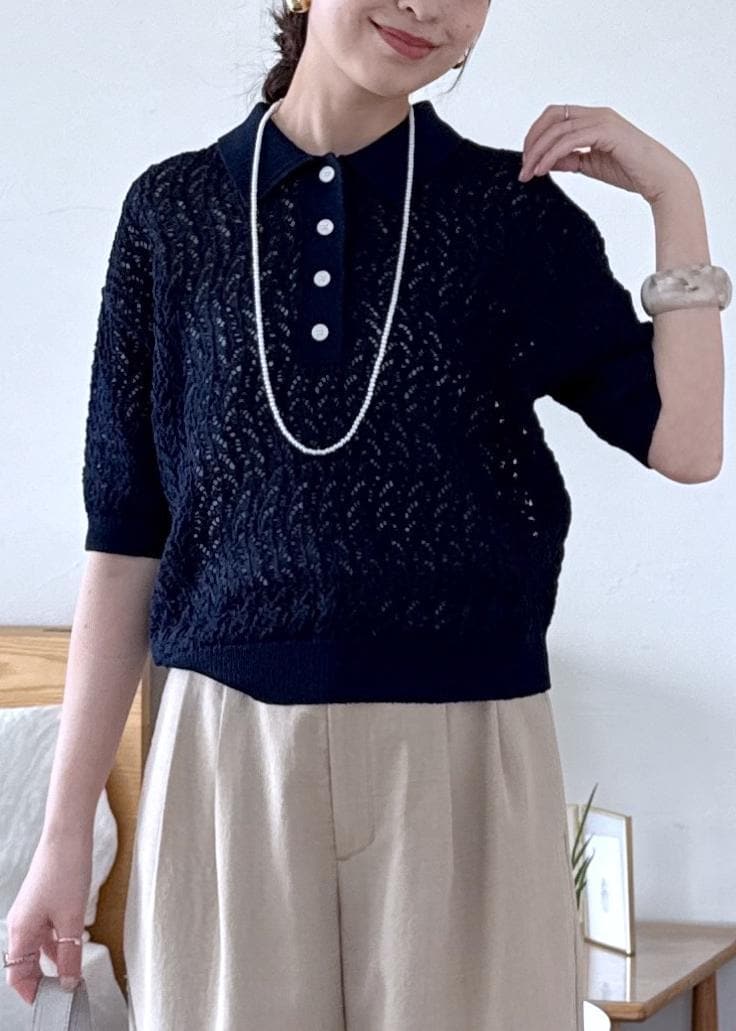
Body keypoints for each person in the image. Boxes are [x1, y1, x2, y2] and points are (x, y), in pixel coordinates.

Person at [4, 0, 727, 1028]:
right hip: (227, 757)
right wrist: (63, 834)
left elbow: (687, 443)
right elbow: (125, 538)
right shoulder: (171, 215)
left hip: (464, 750)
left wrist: (674, 193)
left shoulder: (508, 216)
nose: (428, 8)